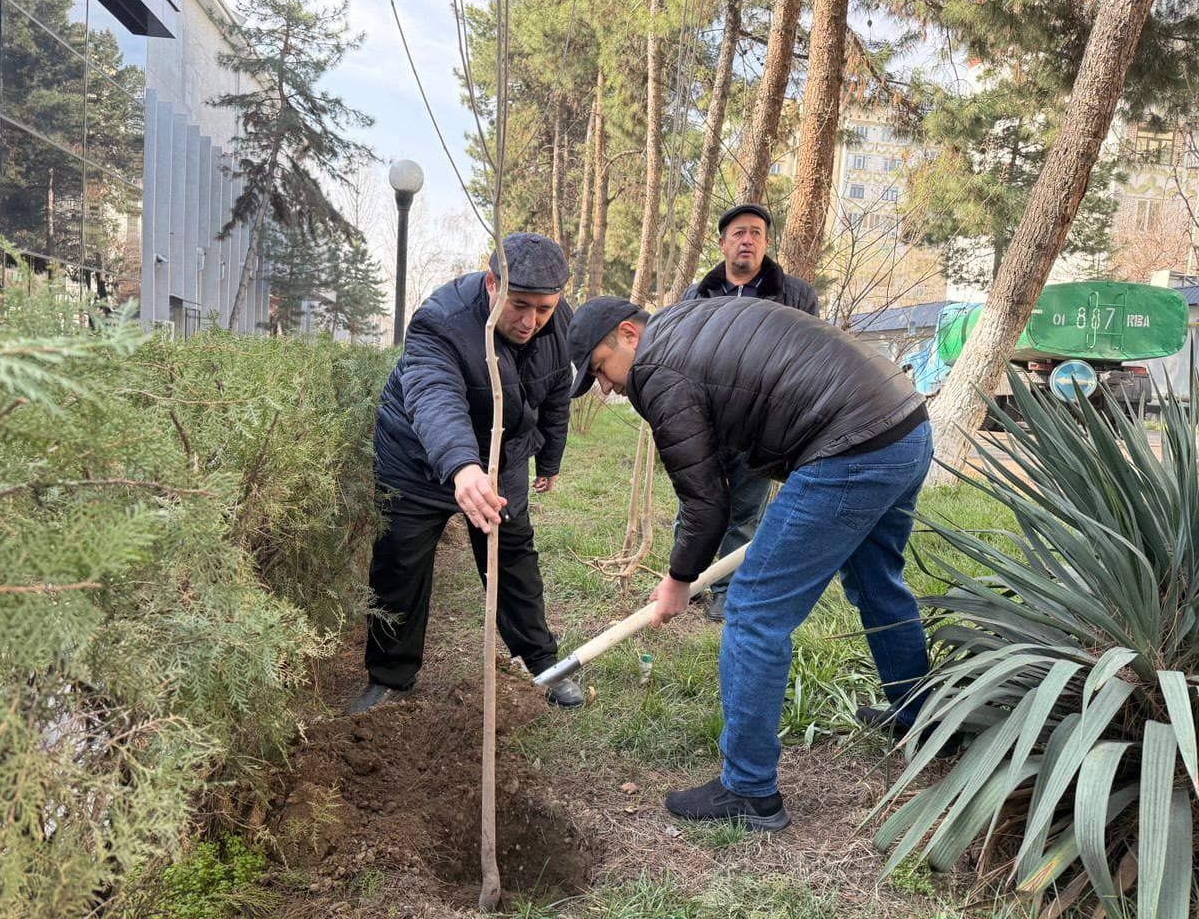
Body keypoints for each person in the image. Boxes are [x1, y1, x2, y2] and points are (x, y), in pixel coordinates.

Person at [567, 295, 932, 831]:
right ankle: (919, 716)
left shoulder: (656, 370)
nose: (606, 387)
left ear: (627, 334)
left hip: (850, 446)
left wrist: (677, 580)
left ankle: (749, 788)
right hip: (904, 425)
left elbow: (704, 502)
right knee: (876, 579)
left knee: (755, 610)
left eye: (599, 369)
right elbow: (728, 453)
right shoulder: (687, 323)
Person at [349, 233, 584, 714]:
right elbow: (435, 396)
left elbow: (556, 394)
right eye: (519, 306)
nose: (530, 322)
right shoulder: (441, 320)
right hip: (417, 457)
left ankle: (543, 664)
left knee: (514, 558)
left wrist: (551, 458)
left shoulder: (560, 323)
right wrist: (461, 466)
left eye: (543, 309)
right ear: (491, 280)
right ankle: (391, 676)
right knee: (400, 562)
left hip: (502, 456)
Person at [679, 203, 819, 622]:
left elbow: (806, 357)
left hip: (761, 425)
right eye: (739, 233)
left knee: (745, 511)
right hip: (704, 421)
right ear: (722, 244)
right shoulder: (697, 294)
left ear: (766, 242)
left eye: (756, 233)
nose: (748, 240)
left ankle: (725, 589)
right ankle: (688, 581)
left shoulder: (795, 295)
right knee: (696, 502)